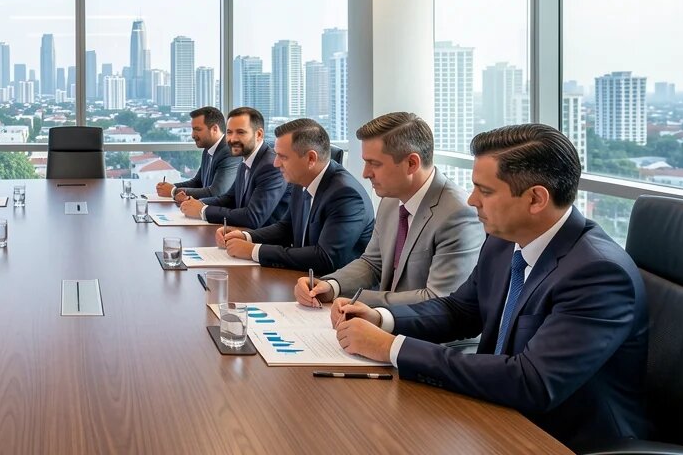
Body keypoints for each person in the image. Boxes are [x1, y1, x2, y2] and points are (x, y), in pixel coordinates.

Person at [335, 124, 648, 452]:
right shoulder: (503, 241)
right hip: (494, 411)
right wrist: (383, 319)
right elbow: (459, 310)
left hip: (563, 439)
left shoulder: (597, 273)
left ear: (536, 199)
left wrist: (392, 348)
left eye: (484, 191)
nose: (472, 201)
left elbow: (532, 381)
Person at [294, 112, 483, 323]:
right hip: (384, 325)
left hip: (428, 336)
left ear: (412, 163)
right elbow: (372, 263)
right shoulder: (391, 199)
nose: (365, 173)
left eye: (374, 163)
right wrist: (331, 286)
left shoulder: (458, 213)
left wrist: (355, 299)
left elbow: (437, 298)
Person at [218, 118, 373, 274]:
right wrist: (246, 236)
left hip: (332, 285)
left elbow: (325, 258)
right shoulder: (301, 179)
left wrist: (254, 251)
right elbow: (286, 228)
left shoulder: (346, 195)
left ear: (311, 159)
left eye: (283, 157)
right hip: (303, 278)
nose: (276, 163)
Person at [180, 107, 290, 229]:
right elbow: (230, 198)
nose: (232, 139)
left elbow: (252, 217)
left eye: (240, 132)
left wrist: (203, 211)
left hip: (262, 238)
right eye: (229, 132)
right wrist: (197, 203)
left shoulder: (271, 166)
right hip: (240, 233)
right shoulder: (245, 160)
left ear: (259, 134)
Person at [155, 106, 240, 201]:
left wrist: (173, 191)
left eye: (197, 129)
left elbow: (216, 192)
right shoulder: (208, 150)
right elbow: (197, 182)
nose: (193, 135)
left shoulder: (229, 152)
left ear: (214, 129)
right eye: (193, 129)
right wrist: (170, 187)